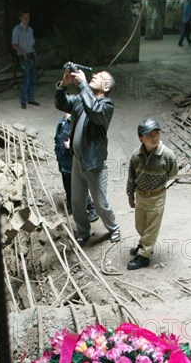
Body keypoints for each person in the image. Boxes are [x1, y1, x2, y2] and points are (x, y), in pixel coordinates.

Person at [54, 68, 120, 247]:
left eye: (98, 77)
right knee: (76, 201)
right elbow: (61, 103)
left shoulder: (106, 106)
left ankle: (113, 228)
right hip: (77, 160)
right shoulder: (82, 100)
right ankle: (83, 232)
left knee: (100, 202)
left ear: (106, 87)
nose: (93, 76)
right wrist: (64, 84)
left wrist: (83, 84)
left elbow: (94, 110)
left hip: (93, 164)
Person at [126, 118, 178, 270]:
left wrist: (158, 185)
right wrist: (130, 195)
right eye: (149, 135)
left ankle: (144, 256)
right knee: (141, 225)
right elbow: (131, 178)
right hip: (141, 195)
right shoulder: (136, 156)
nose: (154, 138)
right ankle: (144, 244)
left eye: (156, 133)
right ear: (141, 138)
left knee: (152, 228)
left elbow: (172, 173)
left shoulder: (168, 155)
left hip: (156, 197)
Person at [54, 112, 98, 221]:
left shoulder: (76, 124)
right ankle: (71, 207)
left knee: (80, 189)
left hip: (72, 163)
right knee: (68, 188)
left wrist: (71, 146)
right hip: (63, 162)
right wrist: (57, 155)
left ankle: (91, 208)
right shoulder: (61, 123)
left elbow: (83, 143)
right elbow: (57, 140)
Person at [11, 10, 40, 109]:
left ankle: (31, 98)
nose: (27, 20)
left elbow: (32, 44)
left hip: (31, 54)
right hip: (23, 56)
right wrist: (23, 53)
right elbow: (14, 44)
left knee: (33, 78)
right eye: (25, 18)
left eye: (28, 18)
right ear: (21, 18)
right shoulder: (17, 29)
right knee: (26, 79)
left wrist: (35, 54)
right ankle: (23, 100)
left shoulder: (30, 29)